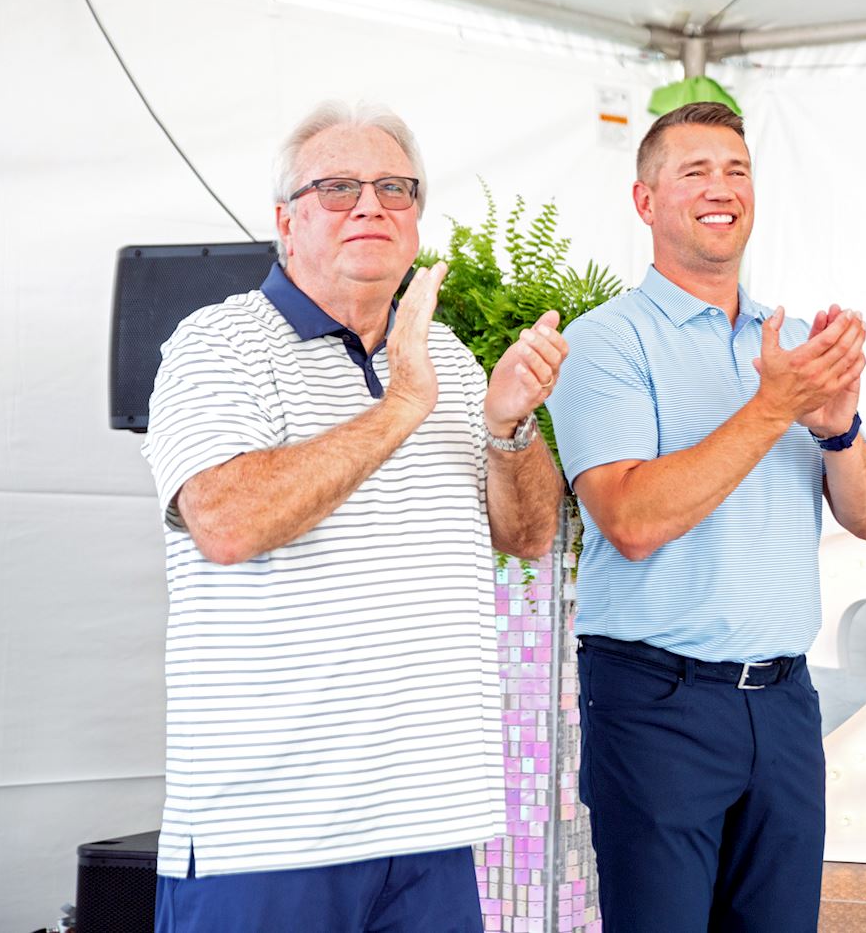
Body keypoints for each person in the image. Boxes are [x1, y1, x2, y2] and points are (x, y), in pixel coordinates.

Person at [142, 101, 568, 933]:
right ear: (284, 222)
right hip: (266, 840)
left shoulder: (443, 354)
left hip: (433, 828)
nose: (370, 205)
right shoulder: (216, 344)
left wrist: (509, 427)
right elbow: (226, 524)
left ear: (414, 219)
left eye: (394, 188)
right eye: (336, 187)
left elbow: (527, 537)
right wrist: (403, 405)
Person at [545, 101, 866, 931]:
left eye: (736, 170)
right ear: (645, 202)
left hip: (781, 702)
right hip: (657, 700)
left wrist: (837, 425)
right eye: (694, 170)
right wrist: (777, 405)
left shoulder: (795, 342)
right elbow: (629, 519)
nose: (721, 187)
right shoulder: (608, 343)